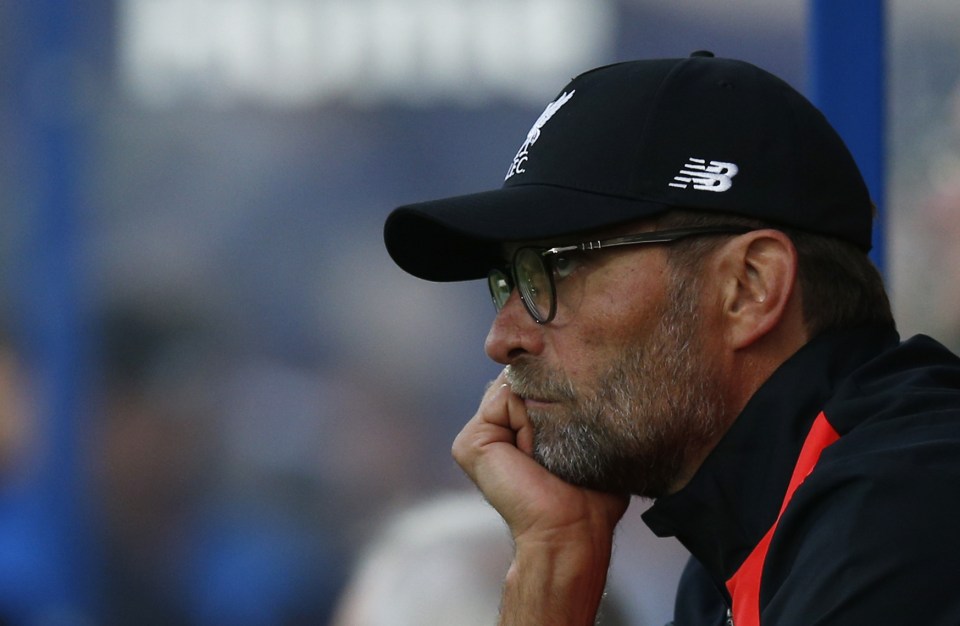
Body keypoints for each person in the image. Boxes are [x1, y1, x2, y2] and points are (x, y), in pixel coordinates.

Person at [381, 51, 960, 626]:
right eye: (508, 281)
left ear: (748, 287)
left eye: (556, 269)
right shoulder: (727, 566)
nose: (503, 337)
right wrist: (554, 558)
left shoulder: (911, 510)